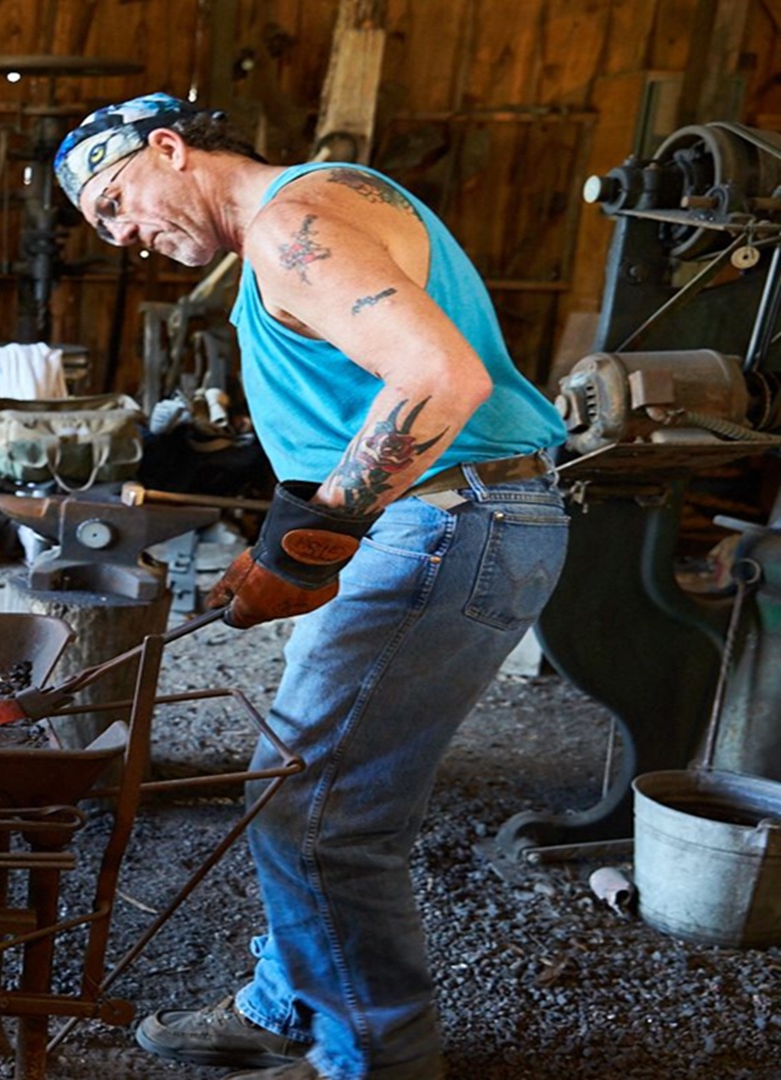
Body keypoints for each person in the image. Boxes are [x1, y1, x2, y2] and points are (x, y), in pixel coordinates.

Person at [53, 94, 571, 1079]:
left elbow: (437, 379)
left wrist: (310, 543)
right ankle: (289, 1001)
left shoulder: (293, 225)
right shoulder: (321, 207)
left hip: (451, 523)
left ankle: (373, 1057)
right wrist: (308, 539)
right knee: (302, 774)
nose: (123, 236)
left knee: (315, 815)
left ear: (172, 150)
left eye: (117, 202)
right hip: (460, 521)